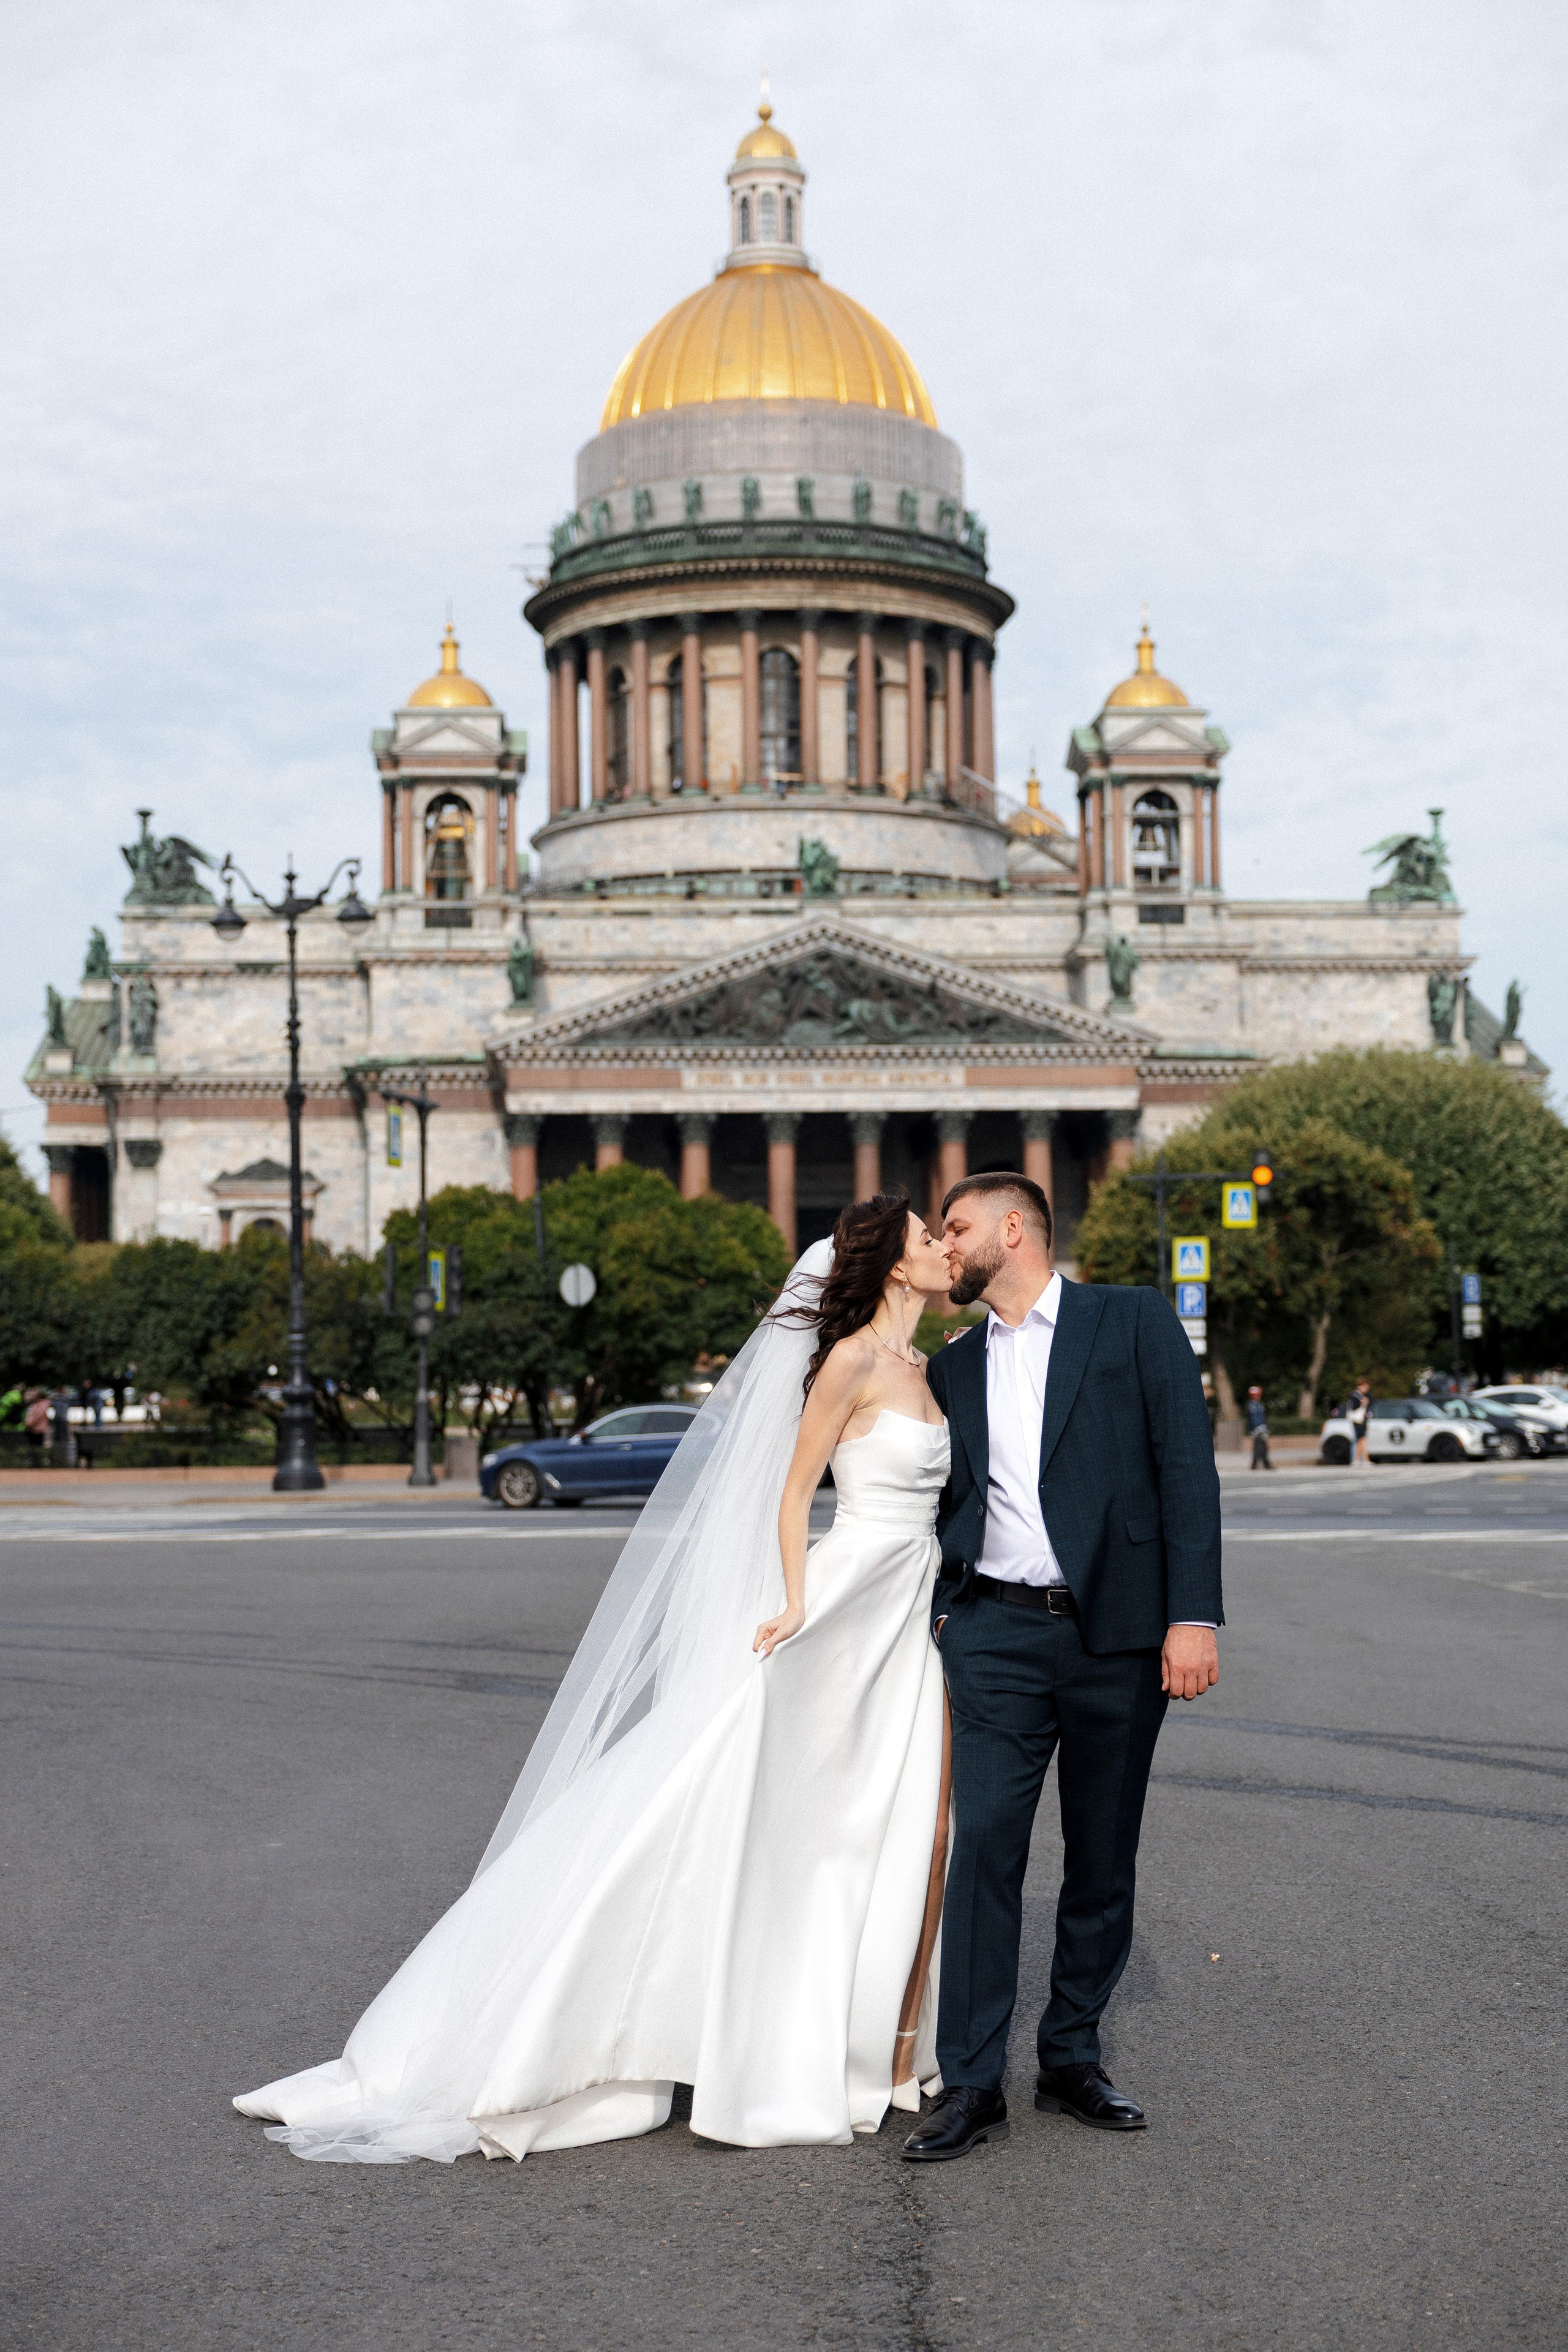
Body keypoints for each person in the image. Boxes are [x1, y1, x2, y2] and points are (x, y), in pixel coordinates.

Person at [235, 1193, 956, 2161]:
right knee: (767, 1814)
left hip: (903, 1611)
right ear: (894, 1264)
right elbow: (793, 1492)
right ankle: (677, 2032)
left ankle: (862, 2043)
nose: (942, 1247)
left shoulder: (923, 1367)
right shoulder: (852, 1361)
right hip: (843, 1603)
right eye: (927, 1238)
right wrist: (793, 1600)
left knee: (876, 1826)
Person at [903, 1172, 1223, 2163]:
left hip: (1115, 1636)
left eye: (956, 1228)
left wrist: (1192, 1615)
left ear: (1014, 1228)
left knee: (1102, 1853)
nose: (945, 1246)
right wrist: (949, 1613)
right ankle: (971, 2082)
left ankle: (1072, 2058)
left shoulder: (1129, 1320)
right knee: (983, 1852)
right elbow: (940, 1498)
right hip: (994, 1635)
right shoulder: (953, 1365)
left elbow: (1186, 1468)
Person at [1246, 1384, 1273, 1471]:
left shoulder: (1259, 1405)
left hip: (1261, 1428)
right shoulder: (1253, 1406)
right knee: (1258, 1446)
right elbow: (1254, 1419)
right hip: (1258, 1429)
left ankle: (1264, 1463)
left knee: (1263, 1446)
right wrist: (1257, 1428)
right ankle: (1257, 1464)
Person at [1347, 1379, 1371, 1467]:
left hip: (1361, 1421)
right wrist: (1362, 1403)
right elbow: (1354, 1407)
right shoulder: (1355, 1395)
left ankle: (1358, 1460)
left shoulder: (1360, 1396)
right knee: (1362, 1440)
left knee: (1361, 1440)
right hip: (1358, 1421)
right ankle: (1364, 1459)